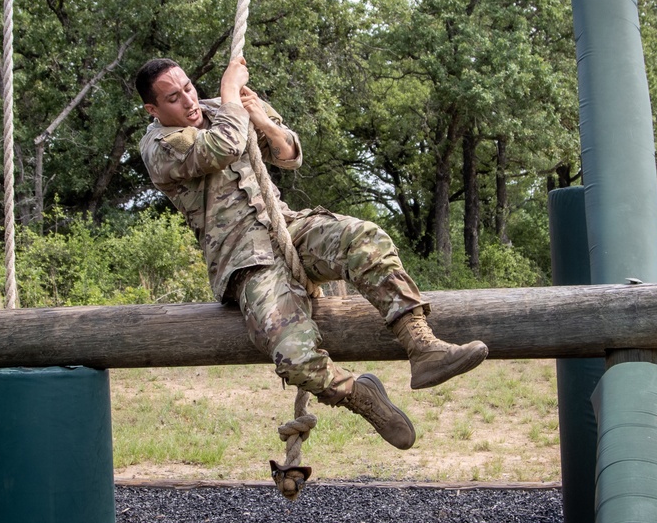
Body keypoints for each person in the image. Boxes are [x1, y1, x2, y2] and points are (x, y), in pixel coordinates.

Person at [134, 56, 487, 450]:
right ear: (153, 109)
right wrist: (231, 92)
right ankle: (359, 396)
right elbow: (226, 145)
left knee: (363, 237)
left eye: (188, 88)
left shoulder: (223, 108)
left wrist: (264, 123)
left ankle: (422, 346)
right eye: (173, 98)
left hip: (286, 227)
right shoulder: (161, 146)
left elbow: (289, 153)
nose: (188, 100)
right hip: (245, 261)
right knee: (292, 354)